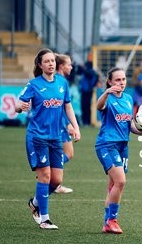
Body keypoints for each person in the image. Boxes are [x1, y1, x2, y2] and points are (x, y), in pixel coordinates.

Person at [17, 49, 81, 230]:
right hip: (37, 137)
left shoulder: (62, 83)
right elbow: (18, 104)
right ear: (40, 65)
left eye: (53, 61)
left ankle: (35, 203)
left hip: (55, 138)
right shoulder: (34, 84)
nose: (51, 64)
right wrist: (20, 107)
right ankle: (45, 219)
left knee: (56, 180)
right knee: (45, 176)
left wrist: (75, 127)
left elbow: (68, 107)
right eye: (47, 61)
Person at [95, 67, 142, 234]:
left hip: (122, 146)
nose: (121, 83)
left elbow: (130, 124)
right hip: (107, 144)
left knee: (114, 184)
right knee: (120, 181)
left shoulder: (128, 98)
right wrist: (106, 92)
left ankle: (107, 223)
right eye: (117, 80)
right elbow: (99, 106)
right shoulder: (107, 98)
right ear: (110, 82)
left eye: (123, 79)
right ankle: (112, 220)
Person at [53, 54, 75, 194]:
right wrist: (68, 124)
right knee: (68, 153)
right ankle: (52, 177)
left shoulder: (59, 80)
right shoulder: (59, 81)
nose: (71, 67)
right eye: (69, 64)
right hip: (59, 124)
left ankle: (51, 176)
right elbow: (60, 107)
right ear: (61, 66)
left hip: (59, 123)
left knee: (67, 153)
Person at [78, 61, 100, 126]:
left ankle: (87, 122)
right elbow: (79, 72)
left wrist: (83, 67)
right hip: (84, 91)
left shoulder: (90, 72)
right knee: (84, 106)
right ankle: (85, 121)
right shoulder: (88, 71)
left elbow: (88, 74)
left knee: (86, 106)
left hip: (88, 91)